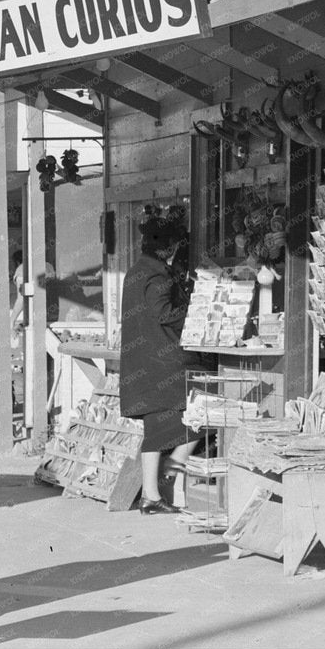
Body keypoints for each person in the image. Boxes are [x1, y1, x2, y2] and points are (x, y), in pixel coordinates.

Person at [120, 212, 200, 514]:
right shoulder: (157, 276)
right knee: (206, 412)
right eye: (176, 244)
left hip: (144, 363)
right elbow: (163, 313)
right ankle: (173, 468)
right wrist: (193, 313)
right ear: (168, 247)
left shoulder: (136, 271)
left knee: (155, 429)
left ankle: (151, 495)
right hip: (165, 361)